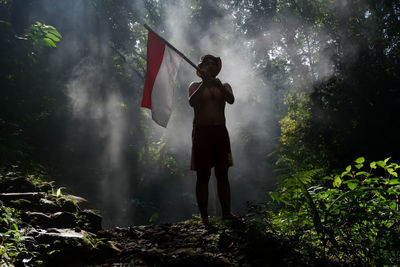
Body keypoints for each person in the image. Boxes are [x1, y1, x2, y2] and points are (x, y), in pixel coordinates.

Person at [188, 54, 235, 225]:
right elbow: (191, 102)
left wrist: (219, 86)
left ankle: (226, 214)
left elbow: (231, 100)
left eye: (213, 64)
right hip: (201, 132)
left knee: (222, 173)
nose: (210, 66)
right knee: (203, 175)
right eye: (206, 64)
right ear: (201, 69)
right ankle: (204, 218)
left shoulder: (224, 85)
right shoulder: (195, 86)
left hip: (220, 132)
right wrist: (205, 85)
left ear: (217, 68)